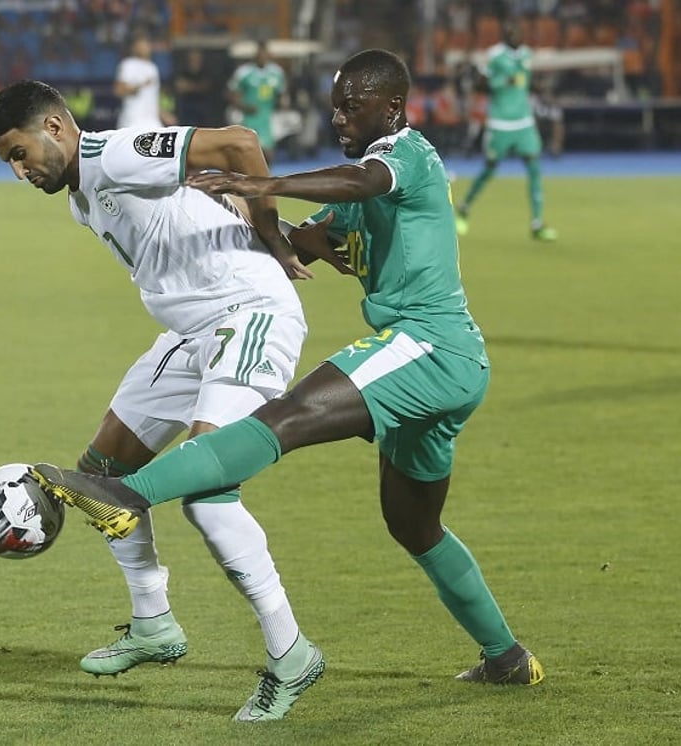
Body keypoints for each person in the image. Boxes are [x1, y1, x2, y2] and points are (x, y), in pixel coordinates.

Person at [27, 49, 545, 692]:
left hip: (431, 345)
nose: (339, 117)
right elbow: (315, 238)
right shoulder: (361, 190)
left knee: (289, 415)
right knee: (413, 525)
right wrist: (239, 214)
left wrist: (259, 184)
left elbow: (361, 182)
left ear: (392, 106)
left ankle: (127, 495)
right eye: (335, 105)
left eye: (351, 106)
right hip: (432, 364)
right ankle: (507, 658)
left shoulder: (411, 154)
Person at [0, 79, 348, 722]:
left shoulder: (114, 155)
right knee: (102, 469)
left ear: (56, 128)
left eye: (19, 152)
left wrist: (274, 235)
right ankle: (154, 624)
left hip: (248, 314)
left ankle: (292, 653)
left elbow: (238, 146)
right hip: (193, 332)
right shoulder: (81, 196)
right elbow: (200, 206)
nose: (19, 171)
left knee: (208, 490)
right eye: (8, 161)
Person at [454, 20, 557, 241]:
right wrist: (502, 81)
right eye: (510, 31)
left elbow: (525, 83)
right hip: (500, 122)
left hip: (524, 122)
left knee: (534, 167)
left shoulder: (526, 55)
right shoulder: (495, 56)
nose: (514, 34)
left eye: (517, 30)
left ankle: (537, 223)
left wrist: (540, 87)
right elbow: (480, 85)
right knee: (489, 169)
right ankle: (464, 207)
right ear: (504, 34)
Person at [227, 43, 287, 161]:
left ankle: (266, 178)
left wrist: (283, 102)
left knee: (269, 154)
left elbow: (281, 93)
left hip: (267, 117)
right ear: (255, 56)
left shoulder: (276, 72)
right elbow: (233, 94)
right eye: (260, 55)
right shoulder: (244, 73)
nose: (262, 57)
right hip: (249, 118)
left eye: (265, 54)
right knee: (248, 155)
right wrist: (244, 106)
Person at [113, 34, 163, 129]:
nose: (145, 47)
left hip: (152, 122)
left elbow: (152, 100)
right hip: (132, 121)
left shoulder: (153, 68)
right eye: (141, 44)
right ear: (134, 47)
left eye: (146, 44)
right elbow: (118, 90)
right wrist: (140, 86)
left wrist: (164, 115)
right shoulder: (128, 64)